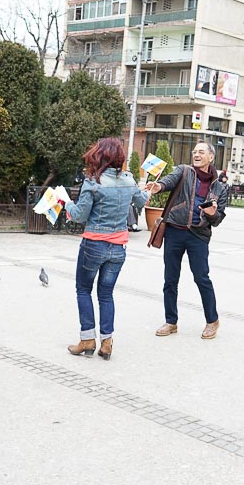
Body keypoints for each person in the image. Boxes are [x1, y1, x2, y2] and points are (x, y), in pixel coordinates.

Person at [62, 138, 150, 361]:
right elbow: (141, 201)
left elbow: (79, 215)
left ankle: (87, 340)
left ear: (98, 156)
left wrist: (66, 204)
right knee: (106, 294)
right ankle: (107, 342)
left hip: (94, 245)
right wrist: (147, 190)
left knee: (83, 290)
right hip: (118, 247)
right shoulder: (129, 180)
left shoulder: (93, 182)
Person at [145, 141, 229, 340]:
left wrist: (212, 213)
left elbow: (218, 220)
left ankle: (212, 320)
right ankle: (171, 321)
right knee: (170, 279)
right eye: (194, 152)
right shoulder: (183, 171)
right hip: (174, 231)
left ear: (211, 157)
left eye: (201, 152)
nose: (196, 155)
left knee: (202, 278)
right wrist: (158, 186)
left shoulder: (220, 187)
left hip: (198, 236)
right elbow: (168, 182)